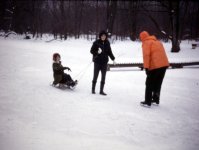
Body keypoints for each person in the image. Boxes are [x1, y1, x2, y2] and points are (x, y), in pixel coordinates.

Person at [139, 31, 169, 107]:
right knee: (158, 82)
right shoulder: (158, 42)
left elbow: (146, 56)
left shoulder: (146, 43)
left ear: (142, 37)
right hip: (164, 65)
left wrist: (146, 67)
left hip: (155, 65)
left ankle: (147, 101)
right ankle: (156, 99)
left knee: (149, 83)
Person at [90, 30, 116, 95]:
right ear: (100, 36)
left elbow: (109, 52)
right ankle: (93, 90)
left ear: (106, 36)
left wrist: (113, 59)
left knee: (103, 76)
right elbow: (91, 51)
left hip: (104, 62)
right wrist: (97, 52)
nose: (103, 37)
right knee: (95, 76)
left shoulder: (107, 43)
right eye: (102, 36)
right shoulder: (96, 42)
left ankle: (101, 91)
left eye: (104, 36)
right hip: (97, 62)